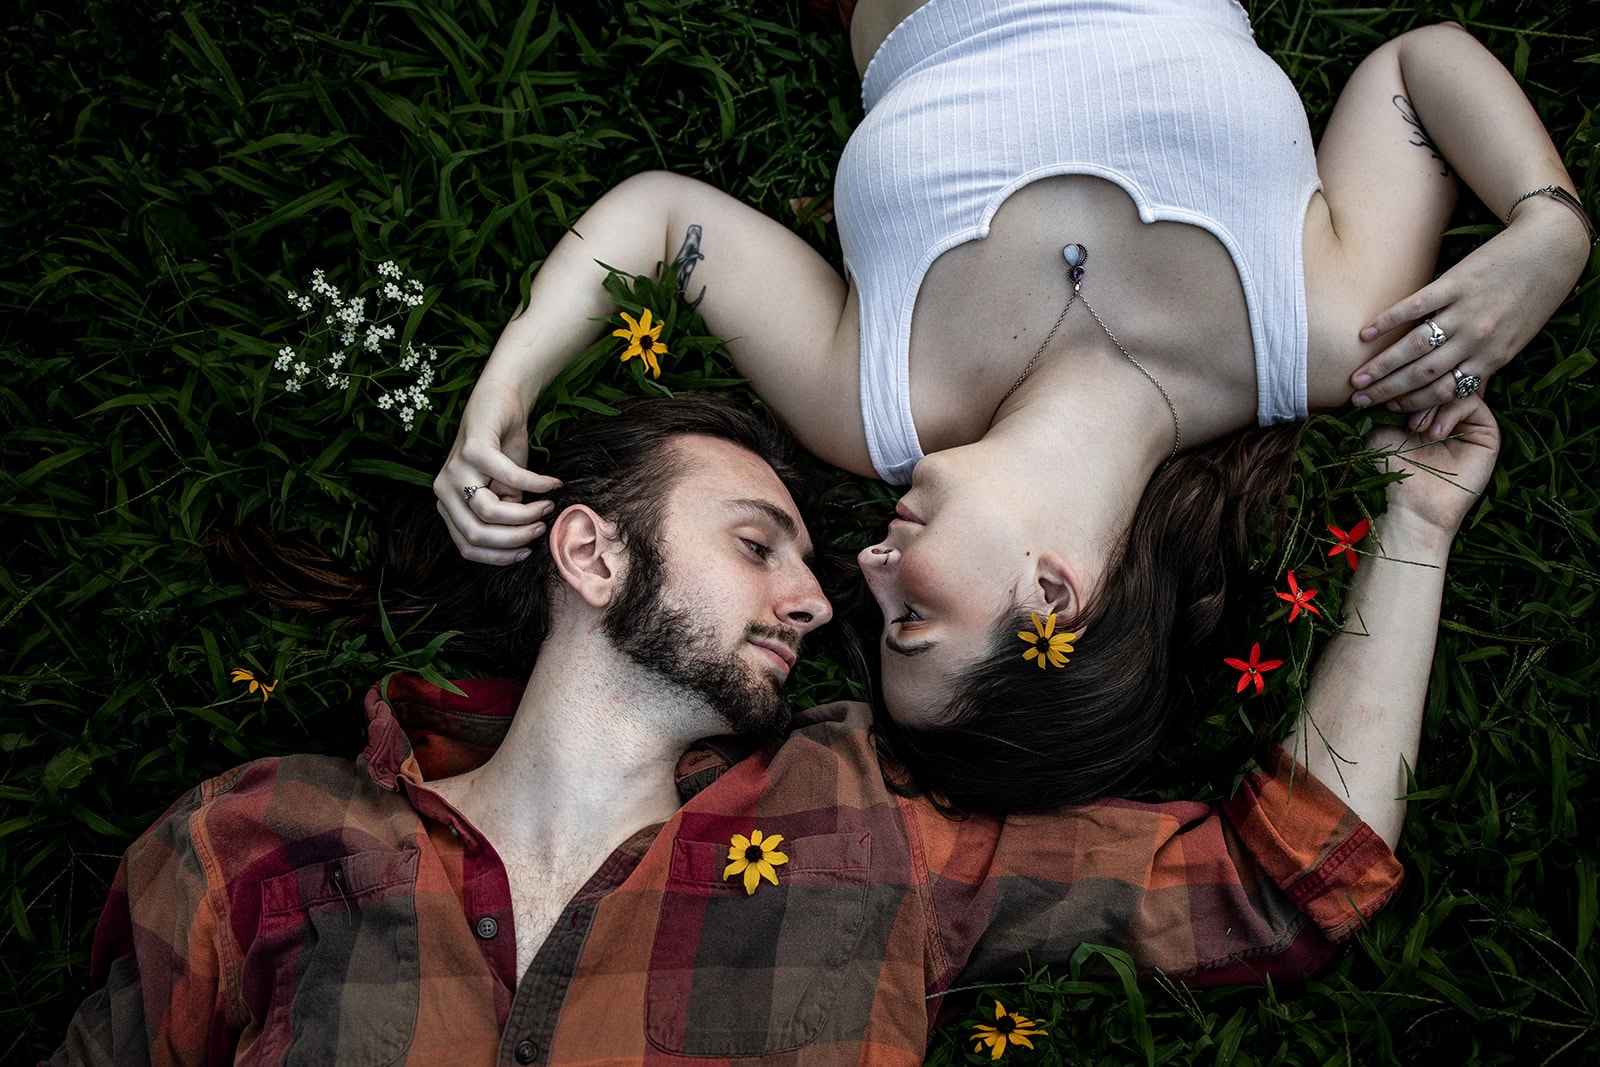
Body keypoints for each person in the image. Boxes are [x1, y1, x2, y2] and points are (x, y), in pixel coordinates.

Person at [54, 392, 1498, 1064]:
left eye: (808, 563)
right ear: (590, 552)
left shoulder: (862, 823)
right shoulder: (254, 835)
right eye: (758, 543)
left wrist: (1418, 528)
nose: (815, 598)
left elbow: (1277, 875)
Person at [432, 3, 1591, 812]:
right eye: (914, 619)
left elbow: (662, 221)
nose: (866, 567)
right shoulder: (1328, 340)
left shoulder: (872, 405)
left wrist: (508, 383)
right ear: (1052, 594)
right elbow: (1418, 68)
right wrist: (1549, 224)